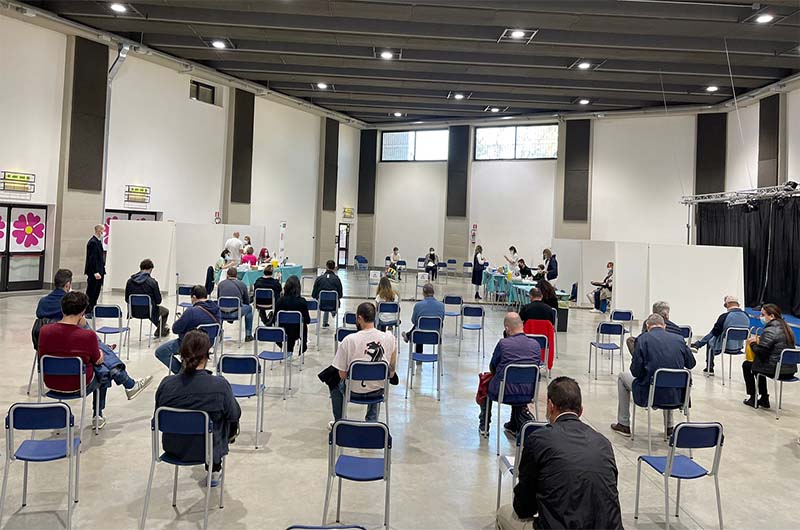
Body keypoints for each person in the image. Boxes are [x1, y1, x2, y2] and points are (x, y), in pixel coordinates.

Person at [497, 377, 622, 530]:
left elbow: (524, 507)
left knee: (503, 513)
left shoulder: (539, 439)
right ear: (581, 410)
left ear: (550, 406)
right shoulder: (604, 443)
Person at [38, 291, 153, 430]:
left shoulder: (44, 331)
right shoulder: (87, 336)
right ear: (83, 312)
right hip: (79, 385)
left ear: (62, 309)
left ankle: (127, 384)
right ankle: (99, 413)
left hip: (51, 382)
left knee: (98, 360)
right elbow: (98, 360)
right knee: (103, 371)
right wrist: (87, 328)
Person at [154, 330, 240, 487]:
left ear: (181, 354)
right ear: (207, 355)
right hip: (209, 450)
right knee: (227, 413)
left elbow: (157, 420)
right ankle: (214, 468)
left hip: (173, 448)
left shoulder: (166, 384)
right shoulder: (220, 385)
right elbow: (234, 414)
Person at [611, 314, 696, 437]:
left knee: (622, 377)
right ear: (664, 326)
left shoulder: (642, 339)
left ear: (647, 326)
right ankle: (669, 427)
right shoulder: (679, 339)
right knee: (670, 377)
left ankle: (623, 424)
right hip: (677, 395)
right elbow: (691, 364)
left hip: (649, 394)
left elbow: (636, 372)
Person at [329, 302, 398, 427]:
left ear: (359, 318)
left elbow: (342, 374)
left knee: (333, 381)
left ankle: (340, 421)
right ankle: (372, 420)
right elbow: (391, 373)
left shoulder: (349, 340)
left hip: (353, 391)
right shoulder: (389, 338)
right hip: (378, 391)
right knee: (377, 378)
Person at [479, 313, 540, 436]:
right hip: (529, 392)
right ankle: (514, 424)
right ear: (522, 325)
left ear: (507, 328)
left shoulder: (503, 344)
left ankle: (484, 426)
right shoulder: (536, 345)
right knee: (518, 381)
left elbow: (493, 367)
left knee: (485, 383)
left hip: (504, 392)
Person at [155, 285, 221, 374]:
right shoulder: (217, 309)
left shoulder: (191, 311)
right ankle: (185, 371)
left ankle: (182, 373)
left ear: (194, 297)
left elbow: (175, 329)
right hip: (209, 343)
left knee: (161, 352)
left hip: (190, 344)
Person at [742, 303, 797, 409]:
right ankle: (764, 398)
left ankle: (753, 398)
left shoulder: (770, 330)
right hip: (790, 370)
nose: (760, 317)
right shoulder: (786, 328)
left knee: (747, 365)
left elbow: (761, 352)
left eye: (763, 315)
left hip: (777, 370)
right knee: (758, 366)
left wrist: (752, 343)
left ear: (771, 316)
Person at [691, 295, 750, 375]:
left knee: (711, 340)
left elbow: (715, 332)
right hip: (739, 347)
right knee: (713, 335)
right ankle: (697, 345)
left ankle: (709, 367)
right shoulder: (746, 316)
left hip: (725, 346)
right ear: (738, 304)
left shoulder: (724, 316)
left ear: (727, 304)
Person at [125, 258, 170, 337]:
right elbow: (158, 301)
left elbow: (126, 299)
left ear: (141, 268)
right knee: (164, 311)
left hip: (133, 311)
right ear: (151, 269)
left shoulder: (129, 281)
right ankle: (160, 331)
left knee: (149, 307)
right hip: (148, 312)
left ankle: (162, 329)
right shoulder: (153, 282)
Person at [402, 283, 445, 363]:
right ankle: (408, 335)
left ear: (423, 293)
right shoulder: (441, 305)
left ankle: (418, 357)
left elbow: (413, 321)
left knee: (419, 327)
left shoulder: (418, 305)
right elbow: (442, 320)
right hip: (435, 336)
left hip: (419, 336)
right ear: (433, 293)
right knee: (422, 326)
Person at [275, 275, 311, 353]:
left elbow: (275, 317)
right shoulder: (302, 302)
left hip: (282, 331)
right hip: (297, 332)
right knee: (301, 325)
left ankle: (288, 351)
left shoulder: (280, 301)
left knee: (289, 328)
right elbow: (307, 320)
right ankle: (302, 344)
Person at [217, 267, 254, 342]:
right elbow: (246, 301)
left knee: (220, 308)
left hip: (221, 313)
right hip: (236, 312)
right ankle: (248, 335)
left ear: (227, 275)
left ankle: (219, 334)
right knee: (249, 308)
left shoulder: (220, 284)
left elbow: (219, 299)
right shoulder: (242, 284)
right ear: (236, 275)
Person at [312, 260, 343, 328]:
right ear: (334, 268)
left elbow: (313, 294)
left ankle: (325, 322)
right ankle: (332, 312)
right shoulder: (337, 279)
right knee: (331, 300)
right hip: (333, 304)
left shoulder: (319, 278)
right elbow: (340, 294)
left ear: (326, 267)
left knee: (325, 299)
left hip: (321, 303)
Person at [84, 224, 105, 313]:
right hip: (94, 273)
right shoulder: (93, 242)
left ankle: (93, 308)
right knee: (91, 292)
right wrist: (95, 271)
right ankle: (88, 310)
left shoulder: (98, 242)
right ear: (98, 230)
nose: (103, 232)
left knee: (96, 291)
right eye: (103, 230)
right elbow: (92, 259)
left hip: (100, 271)